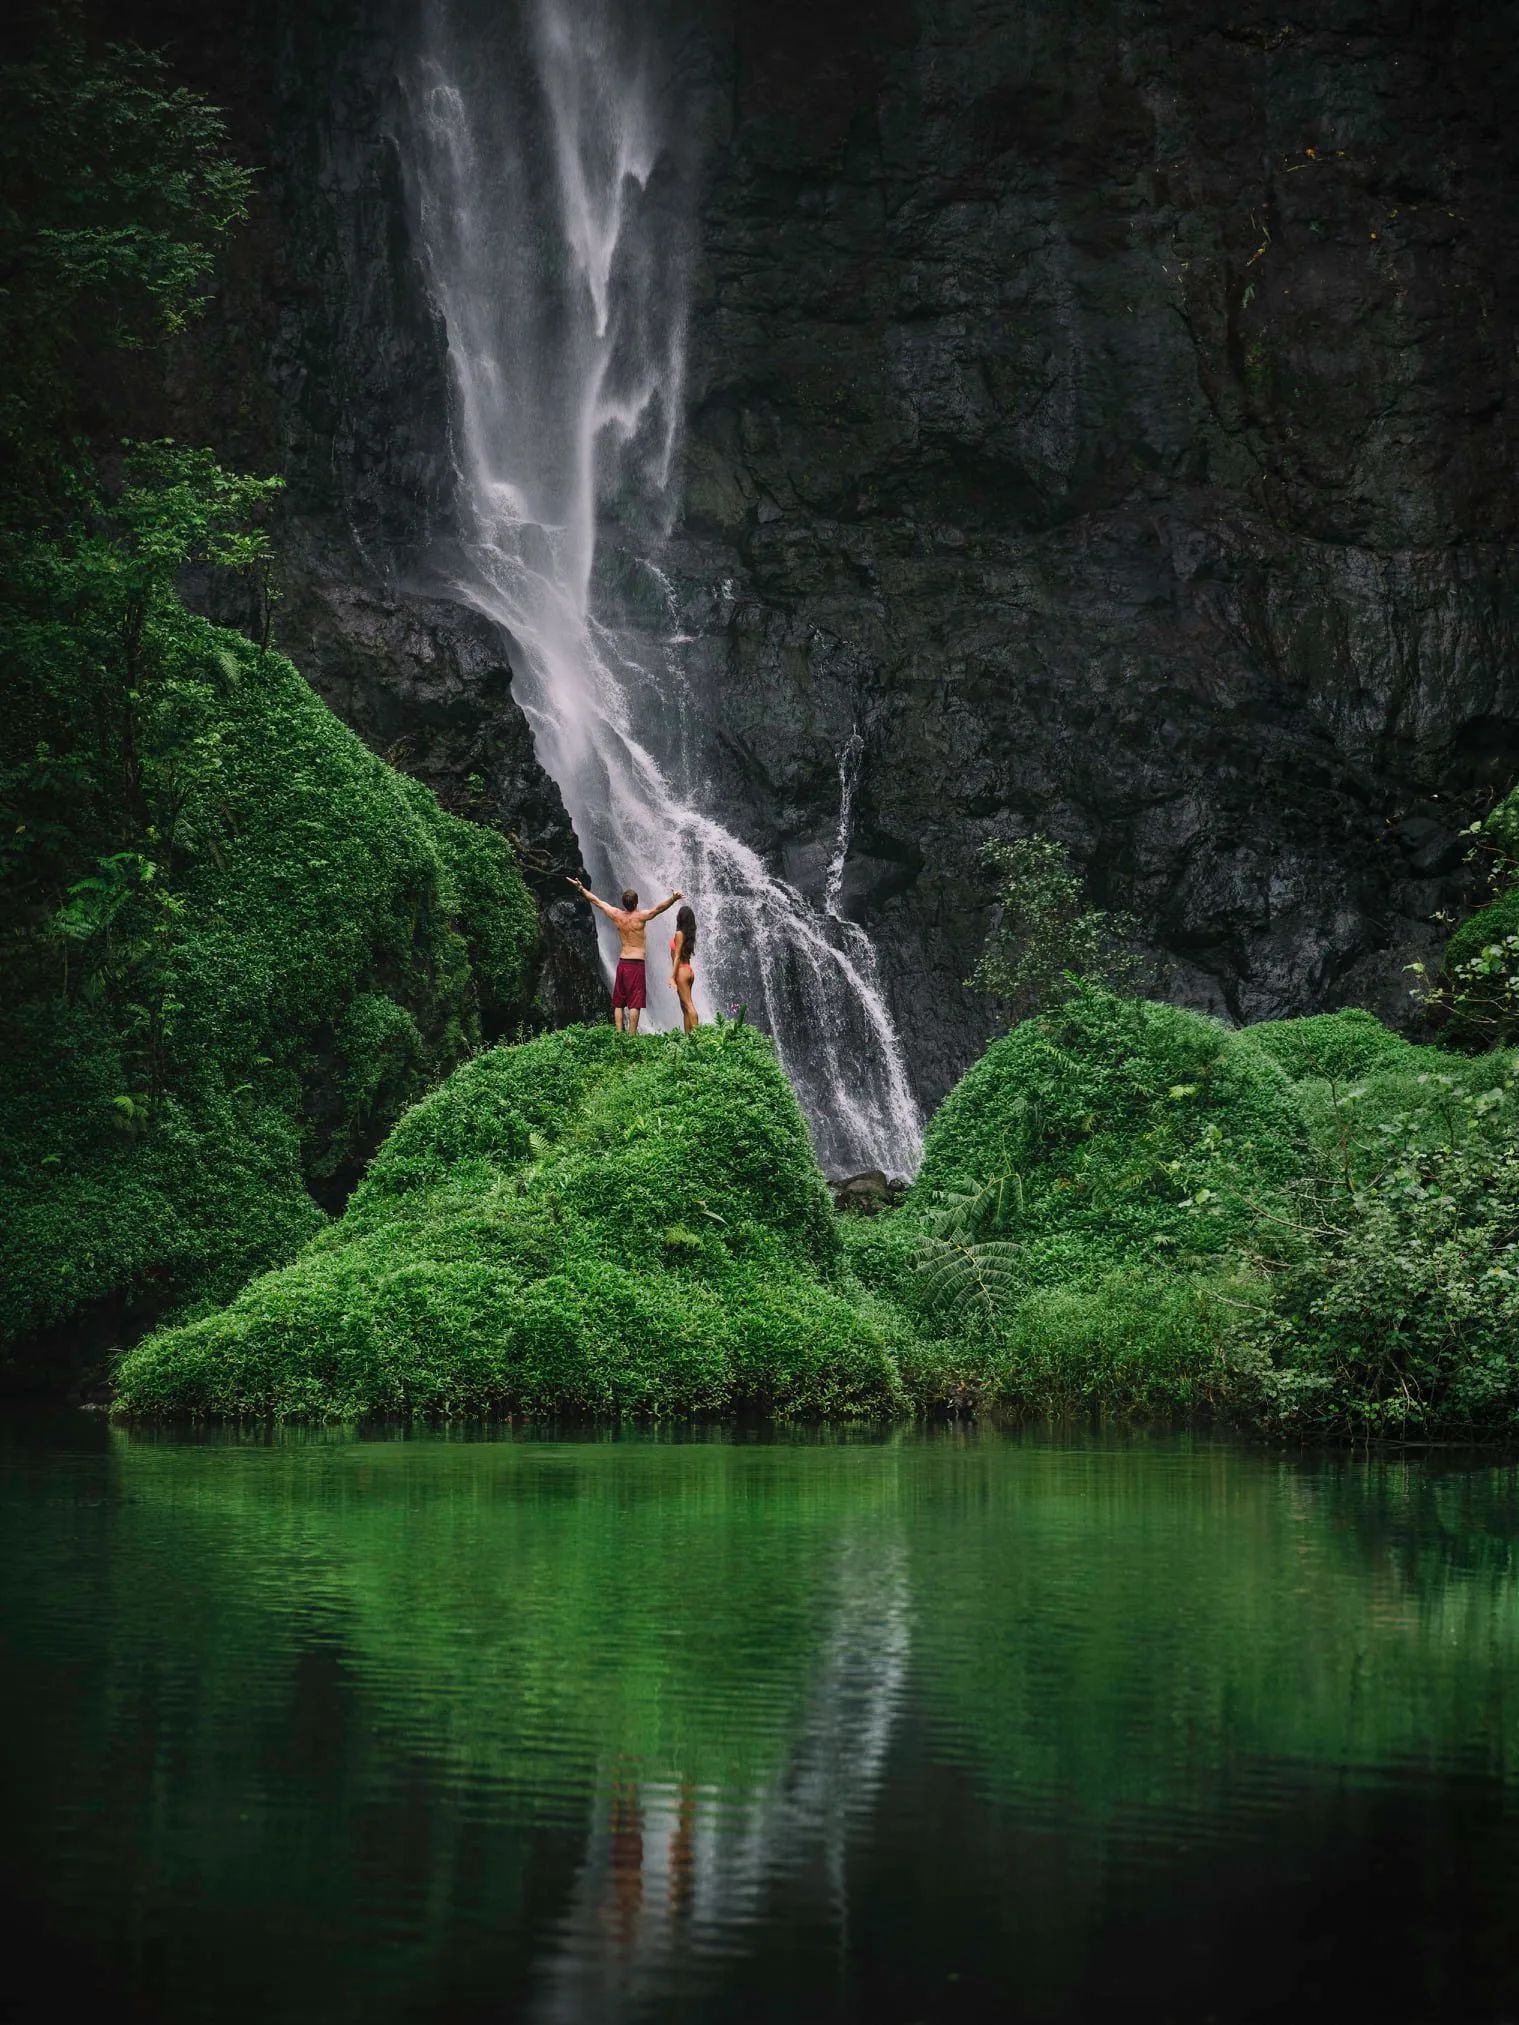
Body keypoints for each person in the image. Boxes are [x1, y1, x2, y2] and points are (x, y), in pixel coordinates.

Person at [566, 875, 681, 1033]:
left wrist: (580, 888)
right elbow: (659, 909)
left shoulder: (616, 915)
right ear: (636, 903)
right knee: (634, 1002)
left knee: (619, 1002)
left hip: (623, 962)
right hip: (636, 964)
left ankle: (619, 1034)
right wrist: (674, 898)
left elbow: (597, 902)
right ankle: (632, 1036)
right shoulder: (641, 917)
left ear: (624, 903)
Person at [668, 902, 699, 1033]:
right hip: (688, 970)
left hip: (681, 971)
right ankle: (688, 1038)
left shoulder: (679, 934)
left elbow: (677, 956)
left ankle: (699, 1037)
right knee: (684, 1007)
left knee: (688, 1005)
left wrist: (672, 977)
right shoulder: (688, 935)